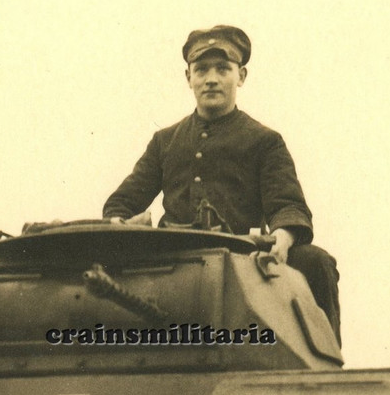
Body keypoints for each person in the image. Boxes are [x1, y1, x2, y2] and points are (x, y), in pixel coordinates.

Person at [102, 24, 341, 344]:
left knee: (316, 262)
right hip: (171, 258)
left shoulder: (264, 141)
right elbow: (122, 202)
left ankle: (326, 364)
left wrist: (282, 238)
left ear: (241, 76)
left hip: (240, 257)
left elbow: (287, 205)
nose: (211, 79)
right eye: (201, 70)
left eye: (222, 69)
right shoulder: (165, 141)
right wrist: (122, 223)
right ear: (188, 78)